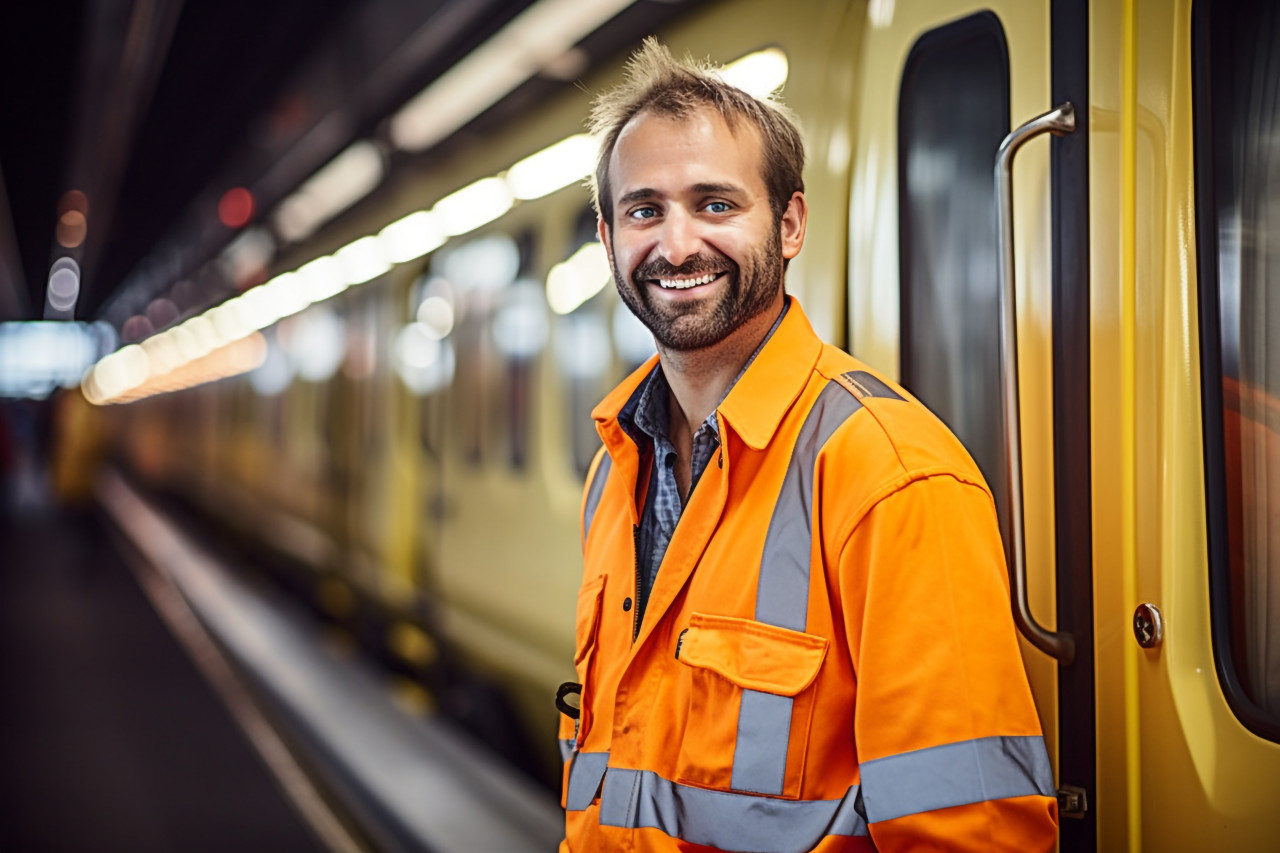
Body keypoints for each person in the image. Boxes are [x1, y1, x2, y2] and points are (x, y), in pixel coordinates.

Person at [556, 38, 1059, 852]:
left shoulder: (889, 475)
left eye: (716, 205)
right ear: (610, 239)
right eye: (645, 210)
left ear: (789, 225)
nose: (677, 245)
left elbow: (972, 835)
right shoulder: (617, 469)